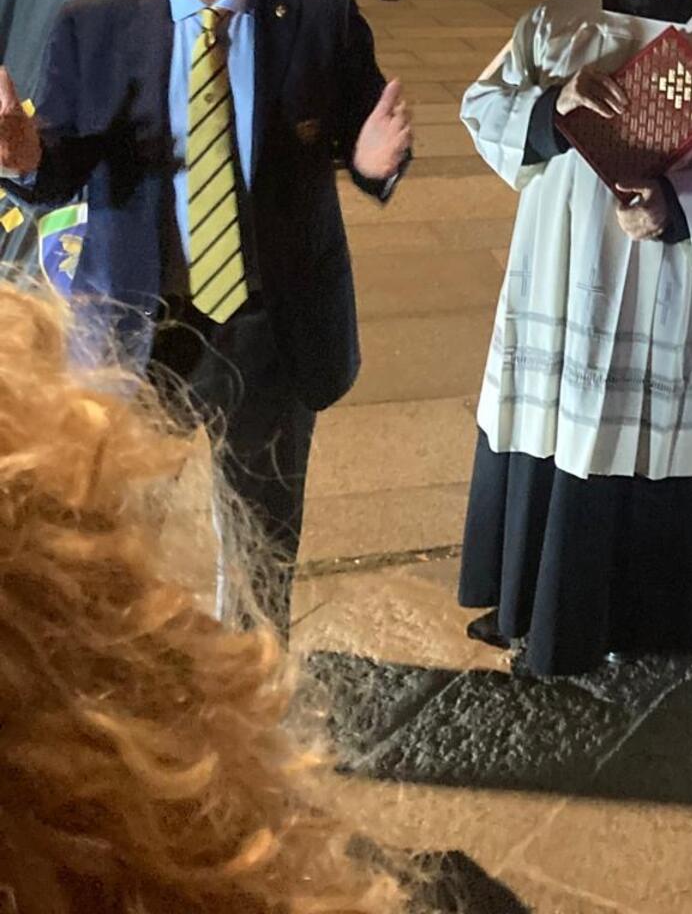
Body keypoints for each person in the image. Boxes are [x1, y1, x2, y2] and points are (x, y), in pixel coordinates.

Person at [0, 0, 411, 632]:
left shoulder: (322, 17)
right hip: (135, 333)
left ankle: (254, 683)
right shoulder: (94, 25)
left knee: (263, 548)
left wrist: (372, 165)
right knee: (120, 547)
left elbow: (368, 135)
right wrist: (22, 155)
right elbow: (59, 169)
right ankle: (133, 682)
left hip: (272, 331)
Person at [457, 0, 692, 676]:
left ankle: (647, 616)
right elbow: (481, 103)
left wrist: (675, 204)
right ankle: (531, 599)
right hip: (560, 256)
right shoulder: (559, 18)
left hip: (657, 274)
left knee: (640, 428)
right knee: (553, 416)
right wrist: (551, 110)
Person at [0, 277, 405, 914]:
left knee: (260, 558)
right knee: (100, 594)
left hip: (272, 306)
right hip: (126, 311)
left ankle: (254, 772)